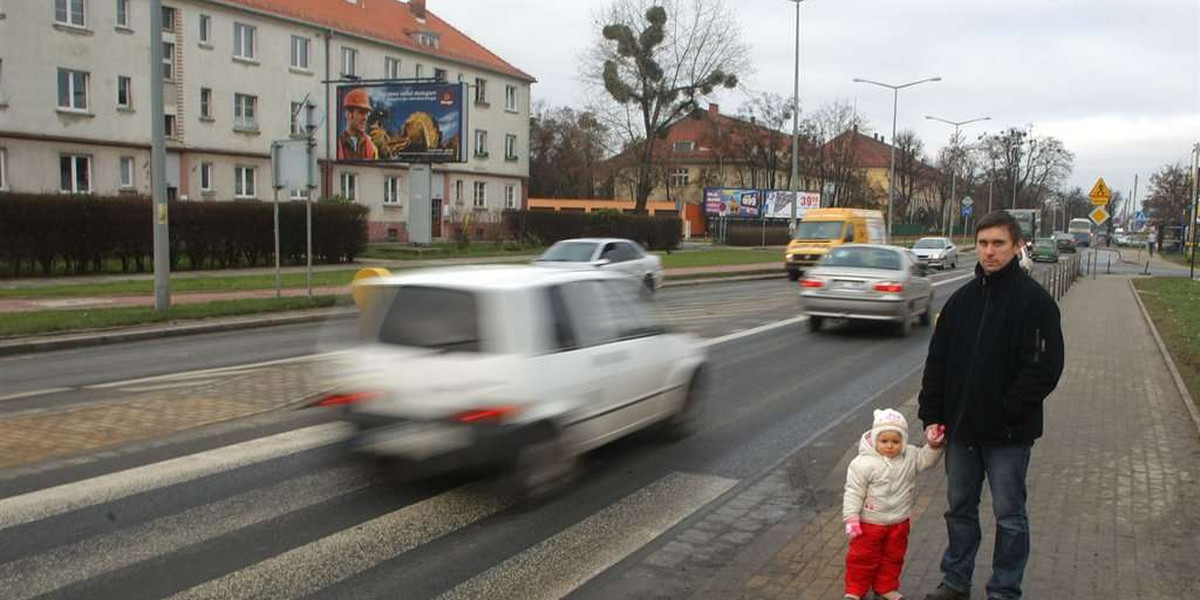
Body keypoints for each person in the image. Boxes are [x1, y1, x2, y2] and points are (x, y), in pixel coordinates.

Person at [918, 211, 1065, 600]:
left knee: (1010, 517)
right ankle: (955, 580)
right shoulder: (961, 302)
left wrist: (1005, 414)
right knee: (959, 510)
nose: (989, 251)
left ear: (1017, 246)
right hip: (962, 431)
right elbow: (938, 363)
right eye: (983, 243)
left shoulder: (1036, 303)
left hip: (1008, 436)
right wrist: (932, 414)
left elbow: (1044, 369)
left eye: (998, 243)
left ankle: (1004, 589)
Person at [842, 408, 945, 600]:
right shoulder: (862, 464)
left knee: (893, 558)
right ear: (875, 440)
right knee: (862, 558)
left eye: (896, 442)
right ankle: (855, 591)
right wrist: (851, 518)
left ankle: (885, 588)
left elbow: (926, 460)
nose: (890, 446)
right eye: (884, 441)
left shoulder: (910, 456)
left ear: (903, 441)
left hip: (898, 522)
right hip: (869, 523)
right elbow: (853, 492)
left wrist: (935, 446)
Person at [338, 87, 378, 160]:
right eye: (361, 112)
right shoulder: (337, 144)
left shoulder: (371, 147)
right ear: (349, 114)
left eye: (367, 113)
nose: (365, 118)